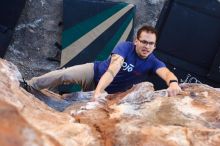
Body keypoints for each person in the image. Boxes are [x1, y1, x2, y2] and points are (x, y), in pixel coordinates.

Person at [26, 25, 181, 100]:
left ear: (154, 46)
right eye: (144, 42)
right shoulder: (125, 47)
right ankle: (29, 85)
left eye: (151, 44)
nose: (147, 46)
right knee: (64, 74)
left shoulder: (153, 62)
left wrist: (173, 83)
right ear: (136, 41)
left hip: (110, 95)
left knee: (72, 105)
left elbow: (166, 73)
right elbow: (113, 69)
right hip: (94, 73)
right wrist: (98, 91)